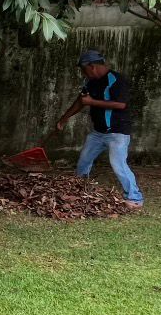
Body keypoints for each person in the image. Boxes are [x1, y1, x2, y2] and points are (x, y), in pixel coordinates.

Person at [55, 50, 144, 208]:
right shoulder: (91, 82)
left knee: (118, 164)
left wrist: (92, 102)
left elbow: (121, 104)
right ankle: (79, 189)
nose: (83, 73)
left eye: (84, 70)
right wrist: (64, 118)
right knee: (83, 161)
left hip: (117, 132)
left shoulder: (116, 80)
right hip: (98, 133)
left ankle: (135, 198)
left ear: (92, 66)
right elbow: (81, 101)